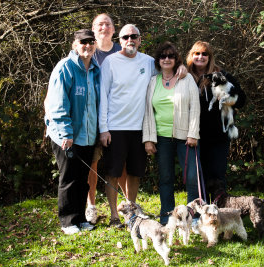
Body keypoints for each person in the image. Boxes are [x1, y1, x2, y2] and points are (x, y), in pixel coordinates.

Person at [99, 24, 187, 228]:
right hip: (115, 127)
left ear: (139, 39)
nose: (130, 40)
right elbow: (102, 95)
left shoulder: (148, 62)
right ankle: (114, 216)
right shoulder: (110, 62)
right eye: (125, 37)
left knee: (135, 172)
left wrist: (181, 68)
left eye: (134, 36)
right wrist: (103, 128)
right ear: (119, 40)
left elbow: (168, 69)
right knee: (113, 172)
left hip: (140, 128)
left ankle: (132, 212)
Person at [44, 29, 99, 234]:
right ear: (74, 45)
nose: (87, 45)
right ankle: (67, 221)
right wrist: (66, 133)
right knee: (68, 178)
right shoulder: (65, 68)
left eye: (91, 42)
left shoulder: (95, 69)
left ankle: (80, 218)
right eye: (83, 42)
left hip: (88, 135)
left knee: (82, 178)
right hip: (66, 135)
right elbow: (57, 104)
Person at [142, 42, 200, 225]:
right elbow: (147, 112)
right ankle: (167, 218)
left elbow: (195, 108)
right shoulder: (153, 81)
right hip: (162, 138)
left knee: (192, 178)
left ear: (176, 60)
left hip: (185, 138)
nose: (167, 59)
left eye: (171, 56)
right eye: (163, 56)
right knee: (166, 179)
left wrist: (193, 133)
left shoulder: (187, 78)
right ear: (158, 61)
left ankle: (194, 218)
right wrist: (149, 139)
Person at [186, 41, 246, 203]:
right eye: (197, 53)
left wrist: (228, 99)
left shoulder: (222, 76)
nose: (200, 57)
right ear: (191, 56)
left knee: (217, 176)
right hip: (194, 135)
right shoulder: (184, 76)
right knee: (199, 177)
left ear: (210, 57)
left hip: (219, 135)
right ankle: (204, 214)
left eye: (205, 54)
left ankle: (220, 213)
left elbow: (241, 99)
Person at [85, 13, 126, 225]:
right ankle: (91, 206)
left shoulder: (122, 50)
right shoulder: (87, 51)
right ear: (93, 29)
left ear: (113, 29)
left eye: (108, 23)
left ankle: (127, 204)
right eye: (99, 24)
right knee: (93, 162)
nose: (104, 27)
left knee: (122, 164)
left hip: (119, 116)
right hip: (92, 116)